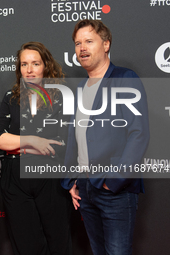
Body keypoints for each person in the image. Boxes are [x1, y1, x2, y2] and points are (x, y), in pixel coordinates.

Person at [61, 19, 150, 255]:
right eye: (78, 43)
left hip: (115, 190)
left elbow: (138, 134)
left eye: (89, 41)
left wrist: (115, 180)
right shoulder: (81, 87)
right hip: (86, 189)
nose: (82, 48)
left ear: (106, 44)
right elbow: (77, 137)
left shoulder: (125, 78)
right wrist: (72, 180)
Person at [0, 42, 72, 255]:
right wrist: (34, 142)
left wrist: (18, 145)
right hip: (14, 180)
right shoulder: (11, 97)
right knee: (26, 246)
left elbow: (60, 144)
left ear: (46, 66)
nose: (29, 70)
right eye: (24, 64)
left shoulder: (62, 97)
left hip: (51, 178)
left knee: (59, 244)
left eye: (35, 64)